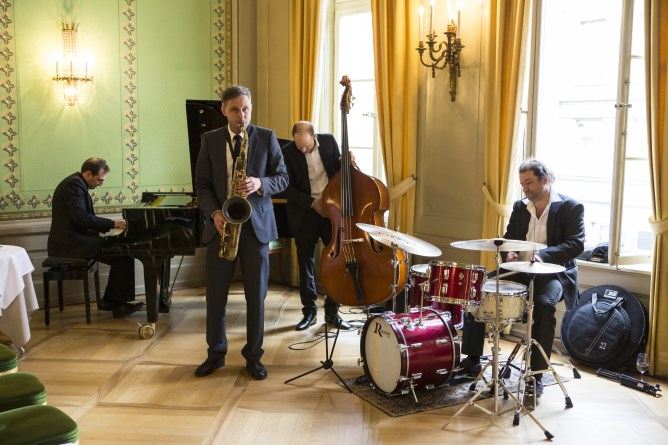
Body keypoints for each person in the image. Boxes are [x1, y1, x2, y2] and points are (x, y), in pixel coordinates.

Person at [460, 158, 585, 404]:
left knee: (544, 306)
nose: (524, 188)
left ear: (544, 179)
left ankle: (536, 375)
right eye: (522, 183)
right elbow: (509, 238)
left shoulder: (571, 207)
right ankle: (473, 359)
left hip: (553, 273)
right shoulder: (520, 207)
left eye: (529, 182)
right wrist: (510, 253)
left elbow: (576, 244)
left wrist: (543, 255)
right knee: (477, 288)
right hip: (521, 269)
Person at [194, 85, 288, 379]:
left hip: (256, 229)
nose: (241, 115)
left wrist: (260, 183)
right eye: (235, 109)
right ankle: (215, 354)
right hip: (221, 227)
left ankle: (254, 357)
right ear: (223, 110)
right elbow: (202, 185)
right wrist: (215, 213)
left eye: (246, 109)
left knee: (256, 298)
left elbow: (283, 177)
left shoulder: (266, 137)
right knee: (216, 298)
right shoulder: (210, 139)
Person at [47, 158, 143, 318]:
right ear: (88, 173)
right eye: (99, 179)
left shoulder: (76, 183)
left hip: (74, 241)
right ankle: (116, 305)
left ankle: (111, 301)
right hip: (70, 245)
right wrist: (113, 224)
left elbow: (83, 219)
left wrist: (111, 227)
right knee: (123, 254)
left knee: (122, 253)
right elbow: (82, 218)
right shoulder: (73, 185)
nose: (101, 184)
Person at [282, 121, 351, 331]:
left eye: (307, 146)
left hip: (332, 211)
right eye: (299, 146)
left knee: (336, 261)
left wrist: (349, 162)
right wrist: (313, 203)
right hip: (305, 211)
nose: (303, 150)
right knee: (305, 263)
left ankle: (332, 313)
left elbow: (340, 172)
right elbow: (286, 187)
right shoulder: (287, 151)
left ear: (314, 137)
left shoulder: (328, 141)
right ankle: (309, 312)